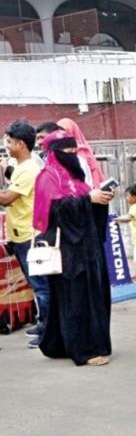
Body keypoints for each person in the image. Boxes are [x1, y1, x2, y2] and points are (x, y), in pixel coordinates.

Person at [33, 130, 114, 366]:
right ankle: (83, 350)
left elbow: (84, 203)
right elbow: (55, 211)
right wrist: (88, 200)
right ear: (55, 153)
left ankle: (68, 344)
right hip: (68, 250)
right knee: (74, 299)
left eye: (74, 151)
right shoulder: (48, 177)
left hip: (87, 248)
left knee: (91, 296)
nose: (72, 155)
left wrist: (100, 200)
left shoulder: (75, 178)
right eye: (67, 152)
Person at [0, 121, 46, 348]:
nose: (5, 146)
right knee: (34, 282)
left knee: (40, 285)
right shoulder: (20, 166)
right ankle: (44, 322)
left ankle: (48, 330)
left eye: (8, 141)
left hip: (30, 235)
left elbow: (7, 198)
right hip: (20, 234)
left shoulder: (28, 169)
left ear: (20, 144)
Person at [56, 118, 104, 188]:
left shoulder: (82, 152)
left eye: (64, 131)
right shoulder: (57, 150)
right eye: (58, 131)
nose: (62, 134)